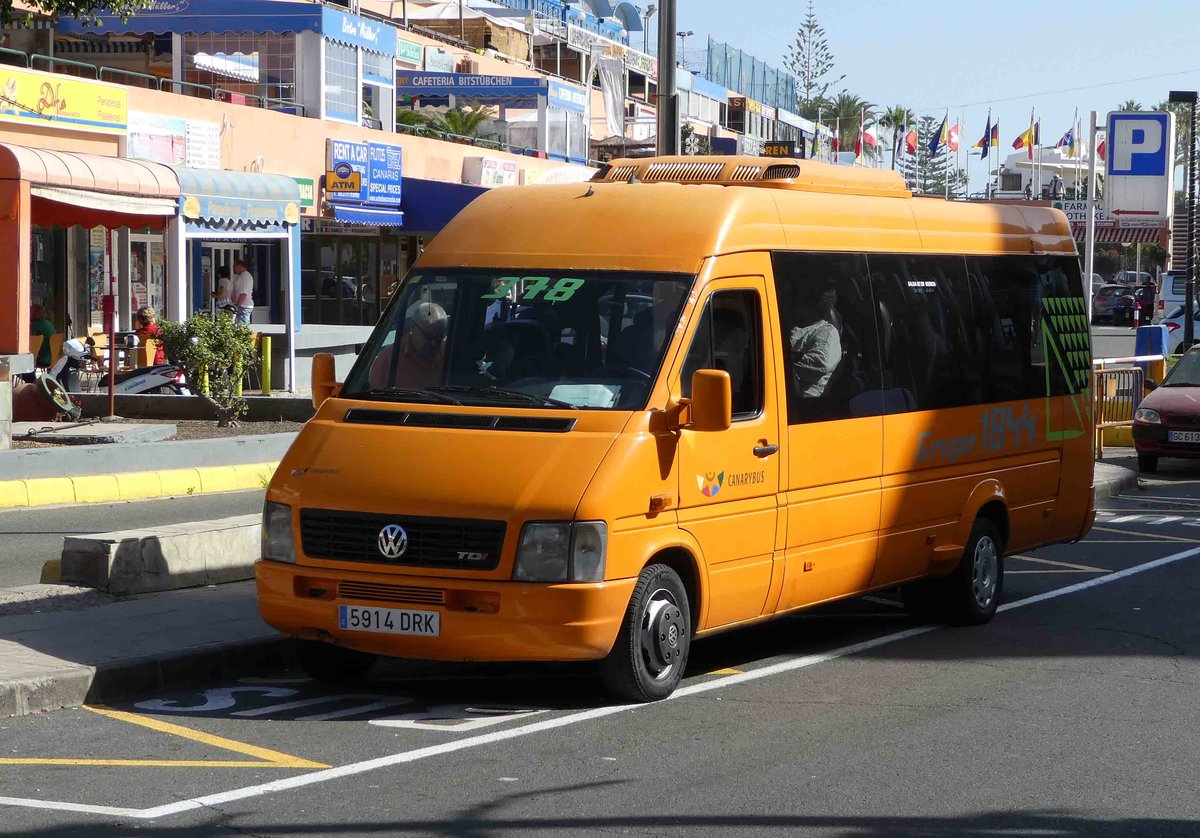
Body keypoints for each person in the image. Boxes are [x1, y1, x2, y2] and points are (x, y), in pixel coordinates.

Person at [369, 301, 449, 389]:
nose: (434, 342)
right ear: (413, 328)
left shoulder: (450, 355)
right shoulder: (389, 360)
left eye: (439, 337)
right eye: (428, 337)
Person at [789, 287, 841, 398]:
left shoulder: (827, 331)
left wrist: (786, 358)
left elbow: (821, 364)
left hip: (805, 401)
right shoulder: (790, 327)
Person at [29, 304, 56, 368]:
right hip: (52, 358)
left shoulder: (35, 325)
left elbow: (28, 340)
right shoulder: (49, 323)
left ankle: (28, 377)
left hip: (41, 358)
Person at [232, 260, 255, 326]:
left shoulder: (245, 276)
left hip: (244, 306)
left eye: (235, 266)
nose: (234, 268)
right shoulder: (242, 276)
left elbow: (243, 293)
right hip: (243, 306)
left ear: (239, 266)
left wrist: (237, 305)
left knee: (241, 327)